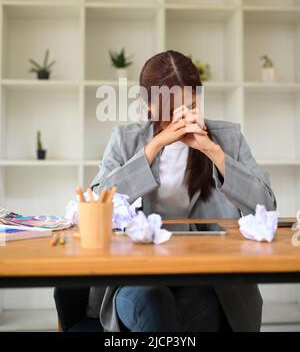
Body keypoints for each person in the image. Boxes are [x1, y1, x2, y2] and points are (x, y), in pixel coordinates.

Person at [88, 50, 276, 332]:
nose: (180, 117)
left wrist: (214, 152)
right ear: (146, 103)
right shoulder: (125, 140)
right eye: (169, 109)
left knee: (182, 313)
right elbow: (97, 204)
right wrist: (153, 148)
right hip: (138, 274)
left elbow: (266, 206)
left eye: (189, 104)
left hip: (208, 276)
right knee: (153, 301)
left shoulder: (228, 136)